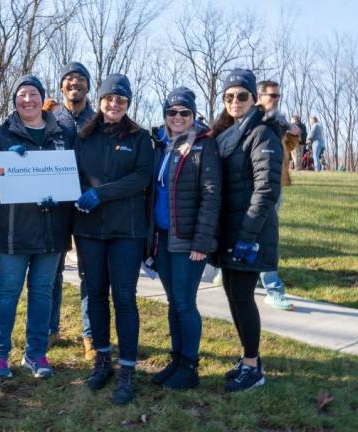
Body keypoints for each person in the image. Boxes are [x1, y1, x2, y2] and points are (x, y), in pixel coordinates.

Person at [0, 75, 72, 380]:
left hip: (52, 229)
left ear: (42, 99)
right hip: (15, 230)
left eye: (33, 94)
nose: (27, 100)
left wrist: (63, 196)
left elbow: (75, 176)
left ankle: (36, 353)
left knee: (42, 293)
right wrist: (5, 165)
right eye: (21, 95)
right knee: (7, 292)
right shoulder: (0, 137)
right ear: (14, 100)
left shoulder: (62, 135)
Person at [73, 74, 154, 405]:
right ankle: (102, 360)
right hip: (89, 229)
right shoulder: (84, 136)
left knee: (123, 297)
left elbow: (141, 178)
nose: (115, 104)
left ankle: (128, 369)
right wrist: (59, 193)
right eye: (110, 98)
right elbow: (71, 174)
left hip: (126, 231)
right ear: (101, 100)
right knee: (94, 295)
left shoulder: (139, 138)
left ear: (128, 104)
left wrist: (101, 193)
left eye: (121, 100)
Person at [212, 68, 282, 392]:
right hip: (229, 233)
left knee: (242, 296)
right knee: (233, 295)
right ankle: (247, 358)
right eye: (229, 96)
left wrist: (247, 236)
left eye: (241, 95)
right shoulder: (229, 132)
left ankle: (254, 366)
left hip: (248, 234)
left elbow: (266, 189)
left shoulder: (262, 134)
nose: (235, 101)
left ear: (254, 99)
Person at [148, 87, 221, 390]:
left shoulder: (204, 146)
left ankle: (190, 367)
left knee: (185, 303)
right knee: (173, 302)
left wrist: (202, 242)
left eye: (184, 113)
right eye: (172, 112)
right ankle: (176, 360)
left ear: (193, 116)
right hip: (163, 238)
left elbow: (211, 196)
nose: (178, 118)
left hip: (188, 240)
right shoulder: (159, 145)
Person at [50, 61, 97, 359]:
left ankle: (90, 335)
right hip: (54, 204)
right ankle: (49, 329)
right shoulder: (50, 116)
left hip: (87, 205)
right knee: (51, 270)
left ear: (88, 86)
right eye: (69, 79)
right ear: (62, 86)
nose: (74, 83)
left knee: (88, 272)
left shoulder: (100, 118)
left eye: (80, 79)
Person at [255, 80, 297, 311]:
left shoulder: (278, 120)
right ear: (259, 96)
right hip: (257, 187)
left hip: (276, 185)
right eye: (272, 95)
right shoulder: (254, 119)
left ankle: (235, 274)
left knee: (263, 236)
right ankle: (273, 289)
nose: (276, 99)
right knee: (264, 237)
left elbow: (288, 146)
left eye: (278, 95)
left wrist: (294, 134)